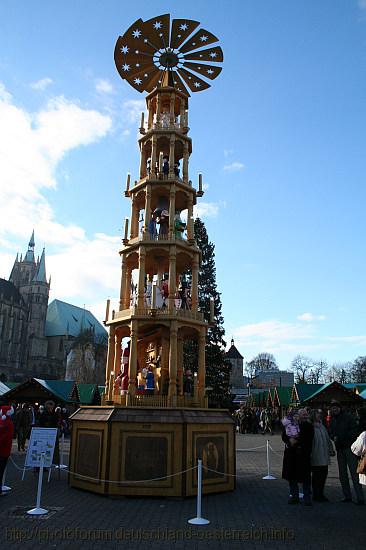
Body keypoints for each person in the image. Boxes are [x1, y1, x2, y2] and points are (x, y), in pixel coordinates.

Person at [329, 400, 364, 504]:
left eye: (336, 407)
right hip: (340, 448)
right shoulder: (333, 420)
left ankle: (360, 497)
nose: (334, 409)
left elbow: (354, 431)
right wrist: (333, 437)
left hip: (349, 448)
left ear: (340, 408)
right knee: (342, 474)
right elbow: (330, 431)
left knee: (354, 473)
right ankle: (347, 496)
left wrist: (342, 437)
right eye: (333, 408)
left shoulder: (348, 417)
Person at [282, 408, 314, 505]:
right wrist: (289, 440)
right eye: (302, 414)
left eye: (306, 414)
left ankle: (307, 497)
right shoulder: (290, 424)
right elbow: (284, 436)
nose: (304, 416)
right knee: (292, 477)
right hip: (291, 455)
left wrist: (296, 441)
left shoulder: (308, 426)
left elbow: (308, 438)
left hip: (303, 455)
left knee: (305, 478)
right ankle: (294, 496)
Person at [310, 410, 334, 502]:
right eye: (317, 414)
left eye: (320, 414)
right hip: (316, 455)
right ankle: (316, 494)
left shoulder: (322, 426)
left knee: (323, 475)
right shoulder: (311, 427)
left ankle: (321, 493)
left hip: (324, 454)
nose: (319, 415)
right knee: (316, 476)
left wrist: (331, 449)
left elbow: (327, 439)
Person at [39, 400, 60, 465]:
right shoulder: (43, 414)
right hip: (44, 434)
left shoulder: (54, 414)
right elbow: (41, 423)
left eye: (51, 407)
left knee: (50, 450)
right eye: (48, 407)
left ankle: (48, 463)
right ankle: (39, 465)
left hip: (52, 434)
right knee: (42, 450)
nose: (50, 408)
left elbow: (56, 422)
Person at [0, 406, 14, 496]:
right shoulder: (9, 423)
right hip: (3, 450)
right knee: (0, 470)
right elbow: (6, 438)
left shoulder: (1, 421)